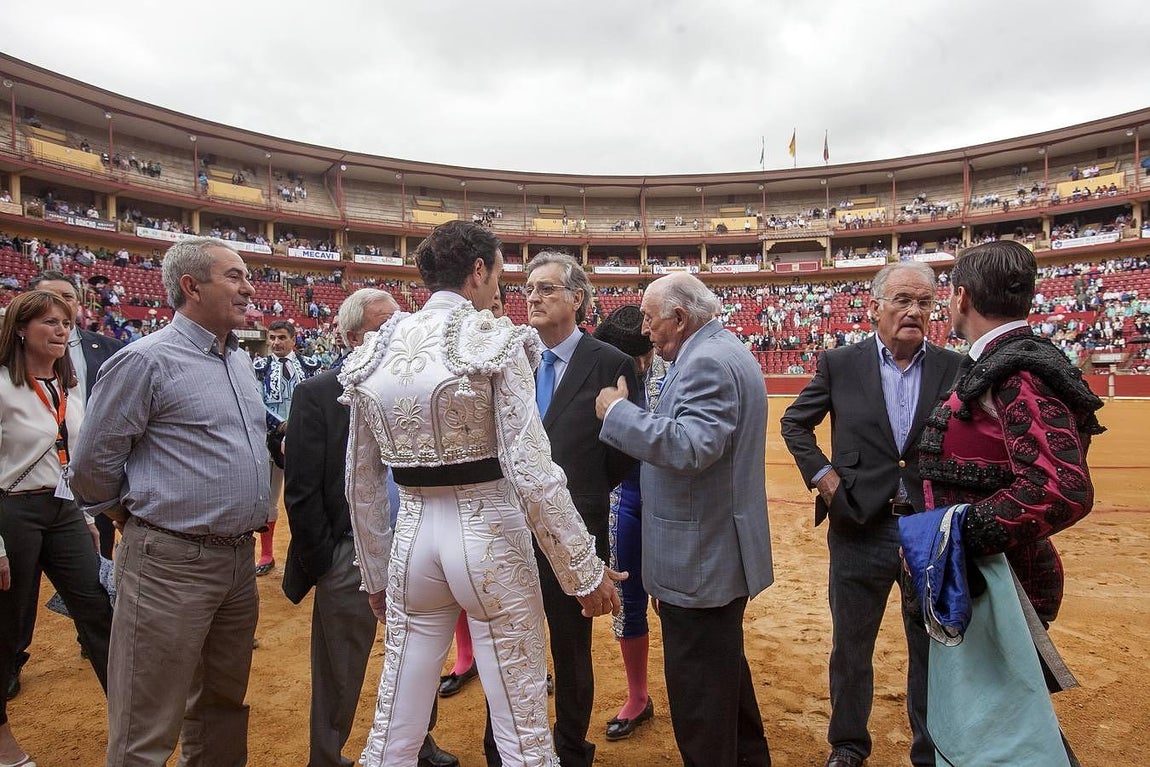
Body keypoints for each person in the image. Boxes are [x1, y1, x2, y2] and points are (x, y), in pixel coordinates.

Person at [342, 220, 624, 766]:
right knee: (522, 727)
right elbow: (532, 470)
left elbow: (361, 482)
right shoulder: (497, 340)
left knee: (395, 722)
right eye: (497, 272)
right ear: (478, 270)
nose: (500, 285)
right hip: (490, 537)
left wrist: (376, 574)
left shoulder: (376, 349)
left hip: (412, 541)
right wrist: (585, 573)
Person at [70, 237, 270, 766]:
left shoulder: (239, 361)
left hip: (237, 562)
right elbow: (89, 468)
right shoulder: (145, 360)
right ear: (191, 286)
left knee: (222, 706)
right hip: (168, 563)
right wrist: (136, 520)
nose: (249, 288)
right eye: (234, 276)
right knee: (145, 724)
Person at [913, 240, 1104, 761]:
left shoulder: (1018, 371)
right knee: (995, 715)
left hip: (1001, 580)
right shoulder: (1009, 363)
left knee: (1005, 729)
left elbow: (1060, 487)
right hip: (984, 577)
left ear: (962, 297)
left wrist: (958, 534)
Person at [780, 261, 963, 767]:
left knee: (930, 648)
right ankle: (847, 744)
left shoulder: (954, 366)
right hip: (858, 524)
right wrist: (825, 479)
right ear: (875, 307)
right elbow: (795, 424)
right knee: (851, 646)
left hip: (929, 529)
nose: (914, 311)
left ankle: (930, 751)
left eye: (924, 302)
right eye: (903, 300)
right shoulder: (840, 362)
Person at [596, 272, 773, 767]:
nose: (645, 330)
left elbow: (692, 447)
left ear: (679, 317)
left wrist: (617, 413)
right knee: (724, 685)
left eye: (650, 319)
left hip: (699, 561)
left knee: (700, 704)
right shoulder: (720, 350)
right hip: (712, 552)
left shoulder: (706, 362)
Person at [282, 288, 457, 767]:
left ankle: (418, 743)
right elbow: (301, 490)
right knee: (340, 663)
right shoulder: (317, 393)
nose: (396, 333)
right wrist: (326, 561)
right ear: (351, 336)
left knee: (419, 650)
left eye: (399, 324)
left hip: (415, 541)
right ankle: (327, 756)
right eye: (383, 326)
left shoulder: (418, 383)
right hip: (349, 551)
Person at [480, 252, 641, 767]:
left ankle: (571, 747)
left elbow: (624, 452)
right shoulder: (510, 356)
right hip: (508, 526)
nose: (533, 297)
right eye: (529, 288)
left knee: (571, 649)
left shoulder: (610, 362)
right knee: (507, 643)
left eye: (547, 288)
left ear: (577, 298)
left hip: (576, 526)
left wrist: (582, 492)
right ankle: (501, 747)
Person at [0, 290, 113, 767]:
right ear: (20, 330)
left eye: (66, 322)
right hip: (11, 513)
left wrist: (84, 515)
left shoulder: (67, 387)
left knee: (99, 608)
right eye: (49, 322)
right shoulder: (2, 386)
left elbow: (69, 459)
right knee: (7, 626)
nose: (62, 330)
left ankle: (131, 718)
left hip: (63, 511)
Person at [591, 304, 669, 740]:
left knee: (674, 599)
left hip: (667, 500)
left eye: (643, 355)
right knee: (629, 599)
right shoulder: (603, 376)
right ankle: (638, 696)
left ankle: (683, 688)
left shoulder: (673, 375)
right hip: (624, 498)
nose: (639, 365)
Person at [253, 320, 321, 575]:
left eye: (281, 337)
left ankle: (306, 555)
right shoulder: (260, 368)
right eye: (272, 338)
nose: (276, 343)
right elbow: (255, 401)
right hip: (271, 438)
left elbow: (318, 399)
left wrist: (300, 425)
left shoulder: (311, 365)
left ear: (293, 339)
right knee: (269, 498)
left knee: (307, 498)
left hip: (304, 438)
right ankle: (267, 553)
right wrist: (281, 425)